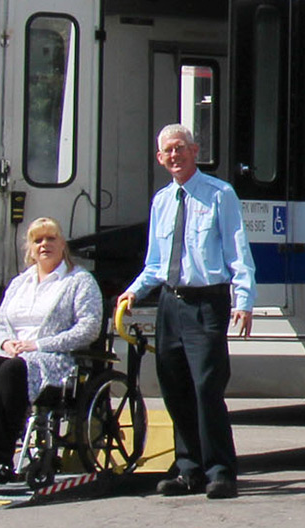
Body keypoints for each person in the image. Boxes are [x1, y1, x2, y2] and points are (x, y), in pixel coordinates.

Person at [118, 124, 255, 499]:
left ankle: (220, 470)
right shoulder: (162, 201)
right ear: (160, 159)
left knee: (206, 387)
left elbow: (238, 253)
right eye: (167, 152)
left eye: (181, 148)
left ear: (195, 151)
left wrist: (243, 301)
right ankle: (188, 468)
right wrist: (132, 292)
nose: (174, 156)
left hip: (206, 302)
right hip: (170, 303)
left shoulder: (219, 194)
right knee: (174, 389)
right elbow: (155, 263)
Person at [0, 218, 102, 469]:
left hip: (54, 358)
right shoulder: (19, 283)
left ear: (62, 245)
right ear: (30, 248)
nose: (44, 245)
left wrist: (38, 344)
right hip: (15, 353)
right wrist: (5, 344)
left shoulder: (79, 281)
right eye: (38, 240)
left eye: (51, 239)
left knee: (11, 371)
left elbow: (88, 328)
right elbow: (1, 325)